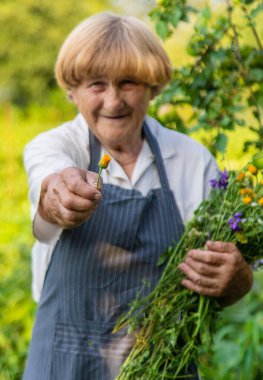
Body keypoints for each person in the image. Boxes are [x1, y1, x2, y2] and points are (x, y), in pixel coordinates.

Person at [23, 12, 253, 380]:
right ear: (72, 90)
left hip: (162, 362)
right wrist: (59, 195)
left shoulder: (192, 162)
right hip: (64, 362)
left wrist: (237, 279)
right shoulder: (55, 148)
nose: (113, 102)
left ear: (153, 87)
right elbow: (49, 188)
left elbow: (229, 274)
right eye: (97, 84)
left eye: (128, 83)